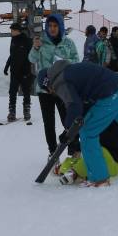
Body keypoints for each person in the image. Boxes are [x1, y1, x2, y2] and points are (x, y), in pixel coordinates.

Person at [29, 14, 79, 155]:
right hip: (45, 89)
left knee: (68, 121)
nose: (52, 29)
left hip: (63, 88)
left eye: (55, 26)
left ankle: (73, 150)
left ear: (60, 27)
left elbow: (76, 60)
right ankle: (53, 152)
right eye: (50, 26)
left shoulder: (68, 43)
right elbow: (31, 59)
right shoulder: (41, 42)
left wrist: (65, 62)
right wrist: (35, 48)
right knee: (49, 123)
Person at [3, 22, 33, 122]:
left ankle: (26, 112)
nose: (11, 32)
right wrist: (7, 66)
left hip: (25, 71)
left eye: (12, 30)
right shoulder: (13, 40)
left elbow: (31, 56)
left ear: (17, 31)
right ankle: (12, 113)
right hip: (14, 72)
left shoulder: (27, 40)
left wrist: (28, 69)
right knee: (12, 92)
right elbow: (12, 55)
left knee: (26, 92)